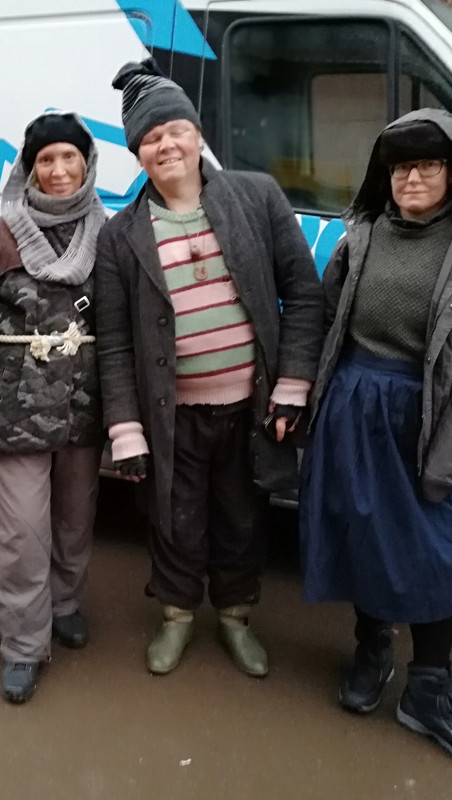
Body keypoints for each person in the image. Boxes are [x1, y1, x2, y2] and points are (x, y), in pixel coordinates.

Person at [299, 109, 452, 769]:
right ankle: (371, 650)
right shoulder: (361, 236)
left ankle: (428, 688)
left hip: (425, 417)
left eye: (427, 164)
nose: (412, 177)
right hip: (352, 406)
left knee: (431, 549)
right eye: (400, 166)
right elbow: (327, 321)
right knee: (363, 536)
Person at [96, 60, 324, 678]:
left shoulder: (257, 197)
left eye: (176, 129)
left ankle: (235, 618)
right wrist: (126, 428)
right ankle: (176, 616)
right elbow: (113, 342)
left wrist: (292, 387)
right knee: (175, 520)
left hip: (252, 408)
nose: (166, 144)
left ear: (197, 135)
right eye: (150, 138)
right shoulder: (121, 236)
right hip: (172, 415)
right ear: (138, 154)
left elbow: (304, 295)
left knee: (242, 518)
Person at [0, 111, 107, 703]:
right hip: (17, 402)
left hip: (83, 402)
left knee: (75, 518)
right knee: (22, 529)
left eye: (68, 156)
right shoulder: (1, 233)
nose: (58, 169)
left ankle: (65, 602)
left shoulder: (109, 234)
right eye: (45, 159)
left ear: (86, 163)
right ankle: (22, 644)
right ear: (29, 167)